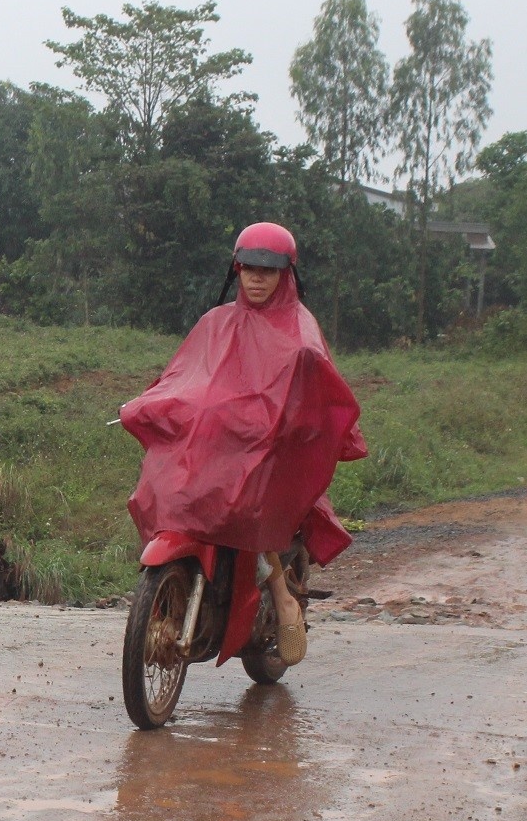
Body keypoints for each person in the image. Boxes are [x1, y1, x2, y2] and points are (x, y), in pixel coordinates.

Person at [119, 222, 366, 663]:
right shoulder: (215, 323)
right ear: (237, 270)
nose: (256, 278)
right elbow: (185, 378)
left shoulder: (301, 334)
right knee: (175, 487)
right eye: (248, 268)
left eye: (267, 271)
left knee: (249, 504)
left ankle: (284, 599)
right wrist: (152, 403)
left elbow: (316, 396)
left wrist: (284, 424)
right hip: (219, 445)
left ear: (285, 275)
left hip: (272, 453)